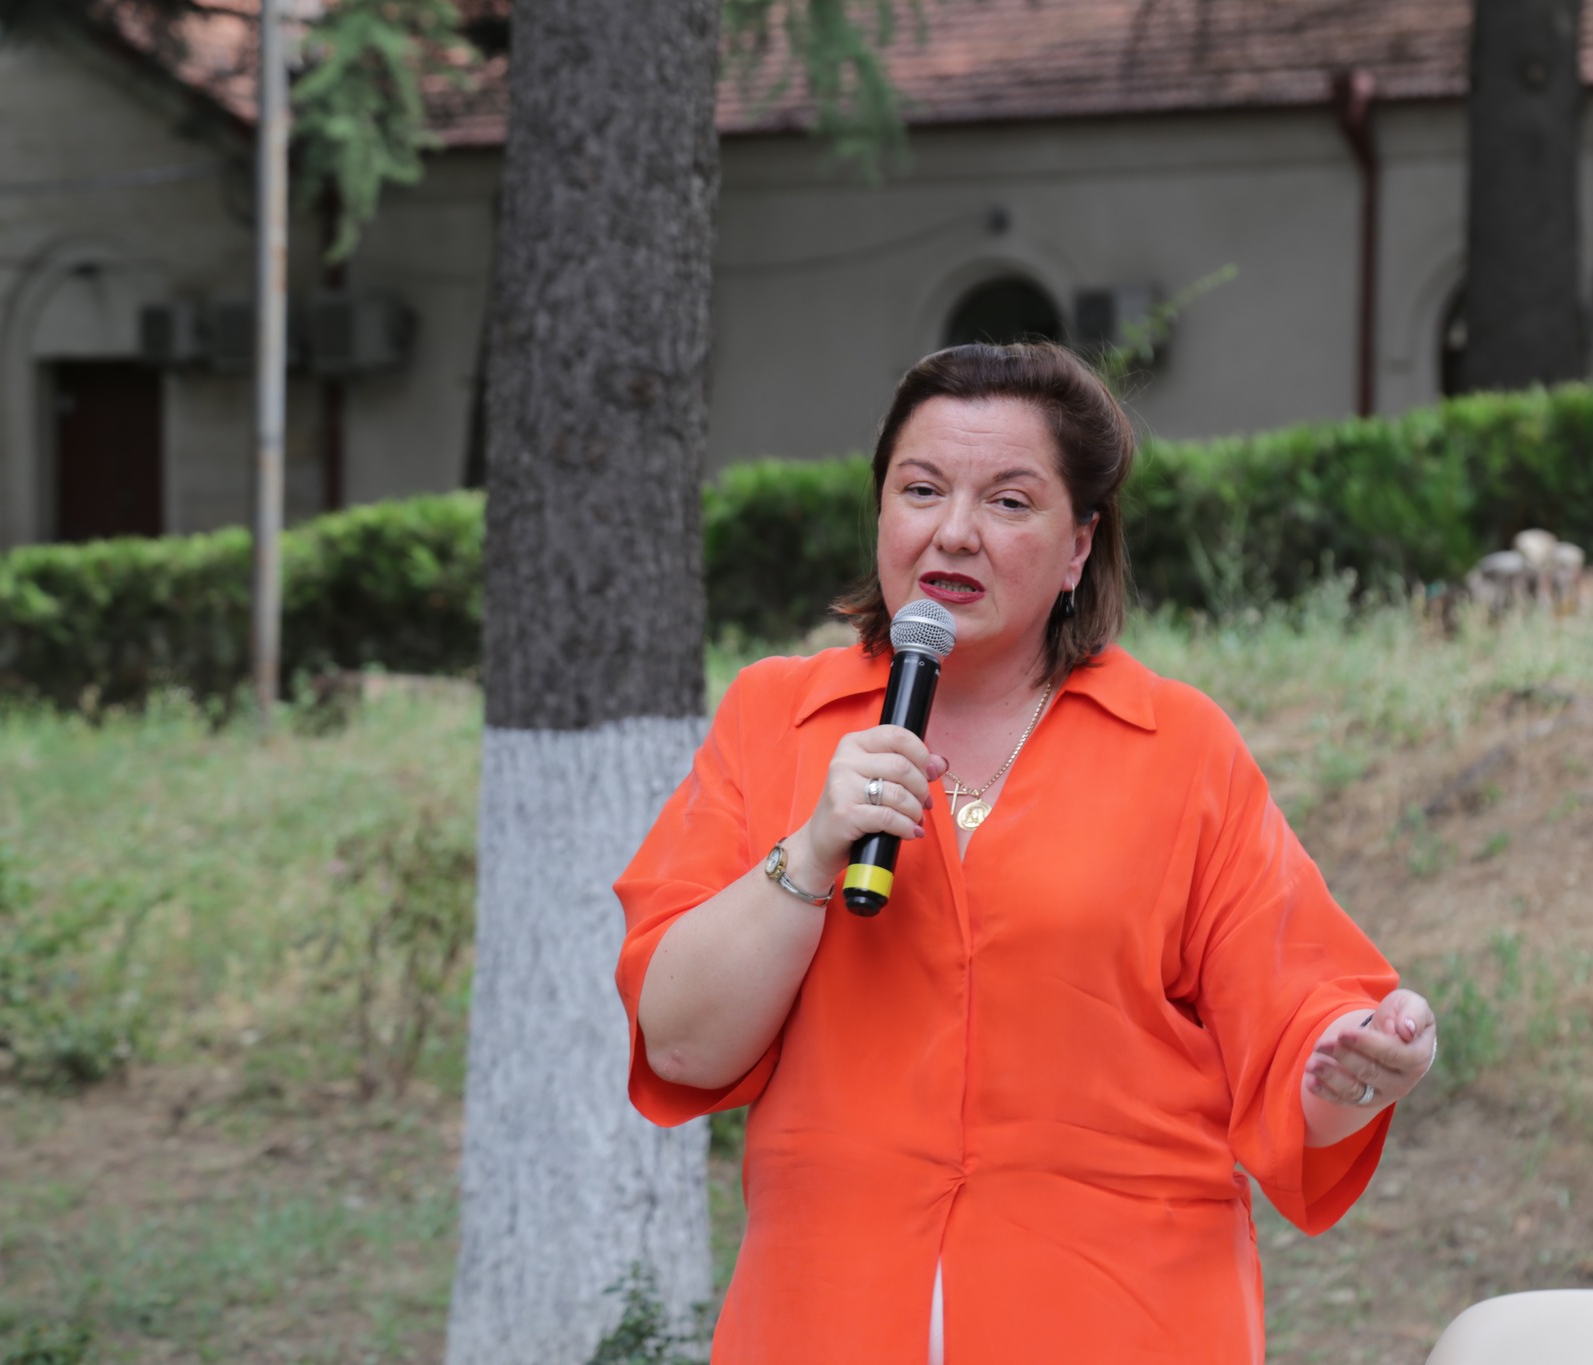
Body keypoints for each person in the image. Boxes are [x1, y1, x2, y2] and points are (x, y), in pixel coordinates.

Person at [615, 342, 1437, 1364]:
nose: (953, 531)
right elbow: (681, 1045)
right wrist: (812, 852)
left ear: (1079, 545)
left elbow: (1294, 1024)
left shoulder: (1177, 748)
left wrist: (1357, 1065)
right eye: (921, 490)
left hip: (1123, 1317)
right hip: (826, 1310)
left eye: (1008, 502)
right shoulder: (776, 719)